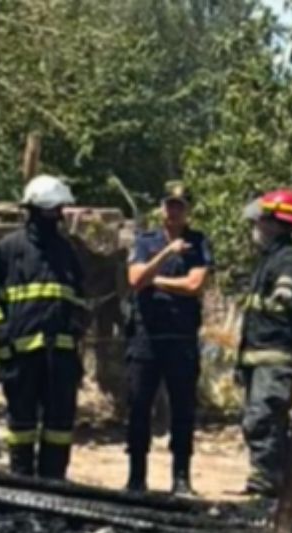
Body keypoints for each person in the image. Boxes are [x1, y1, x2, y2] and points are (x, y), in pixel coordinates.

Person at [0, 175, 89, 480]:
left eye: (59, 211)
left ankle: (54, 483)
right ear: (34, 210)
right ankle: (22, 481)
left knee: (59, 426)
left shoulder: (67, 251)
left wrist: (77, 326)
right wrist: (0, 334)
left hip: (62, 356)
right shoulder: (7, 250)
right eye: (51, 211)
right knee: (22, 425)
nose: (56, 217)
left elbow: (80, 296)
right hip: (21, 356)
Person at [123, 181, 214, 494]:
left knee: (183, 409)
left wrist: (156, 280)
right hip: (146, 338)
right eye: (169, 204)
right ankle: (136, 478)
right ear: (162, 208)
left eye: (180, 205)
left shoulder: (198, 242)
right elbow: (135, 280)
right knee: (138, 408)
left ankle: (181, 478)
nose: (173, 210)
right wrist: (165, 254)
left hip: (181, 337)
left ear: (188, 210)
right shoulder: (145, 241)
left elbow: (194, 285)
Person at [237, 189, 292, 496]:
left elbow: (289, 279)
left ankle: (266, 482)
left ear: (278, 224)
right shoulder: (268, 259)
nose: (257, 227)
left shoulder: (289, 258)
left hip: (275, 358)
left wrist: (284, 290)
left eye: (263, 221)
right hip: (259, 356)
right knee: (260, 419)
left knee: (264, 418)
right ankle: (270, 479)